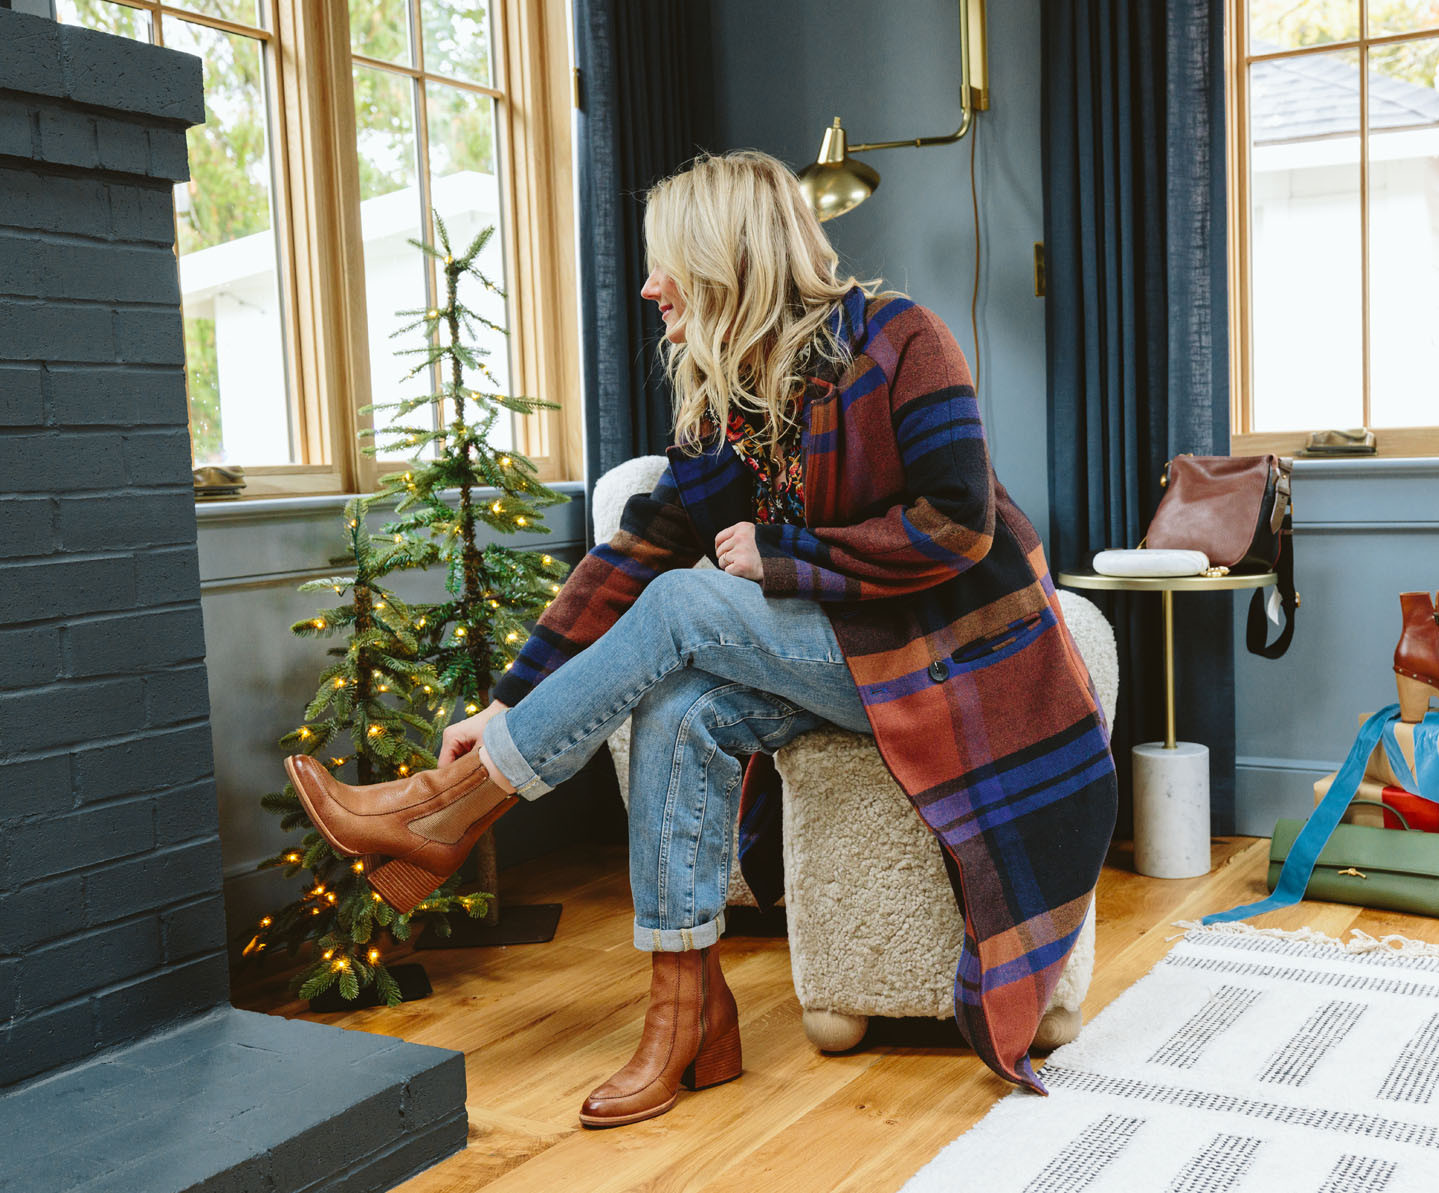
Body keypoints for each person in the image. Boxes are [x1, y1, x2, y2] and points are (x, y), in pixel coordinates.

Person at [286, 150, 1117, 1128]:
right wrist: (506, 700)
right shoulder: (723, 404)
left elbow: (956, 522)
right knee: (685, 706)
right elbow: (625, 559)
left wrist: (782, 555)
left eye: (663, 263)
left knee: (687, 606)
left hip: (954, 659)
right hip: (850, 655)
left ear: (727, 257)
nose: (647, 287)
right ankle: (687, 1016)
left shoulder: (898, 340)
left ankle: (446, 812)